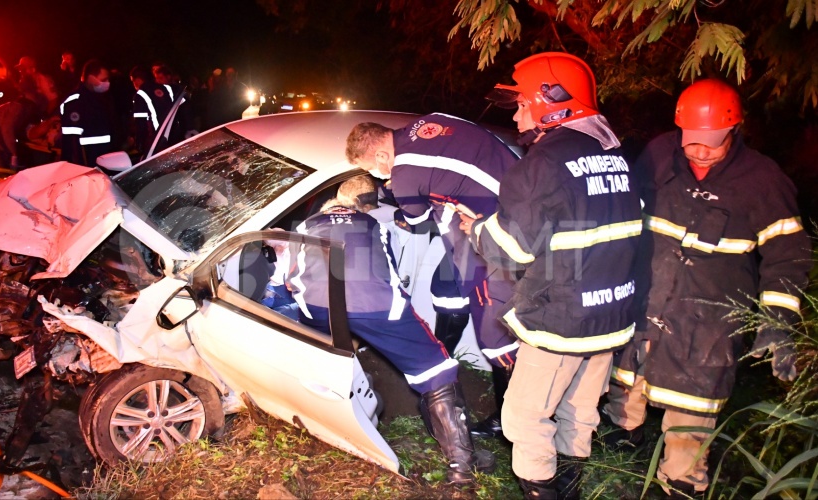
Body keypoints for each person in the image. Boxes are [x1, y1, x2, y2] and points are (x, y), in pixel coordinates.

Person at [601, 79, 811, 496]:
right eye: (692, 141)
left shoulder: (764, 181)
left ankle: (681, 481)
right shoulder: (660, 155)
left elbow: (788, 256)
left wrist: (778, 323)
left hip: (710, 316)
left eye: (711, 143)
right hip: (648, 296)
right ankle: (622, 435)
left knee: (693, 401)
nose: (698, 150)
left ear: (736, 131)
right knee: (628, 374)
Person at [462, 52, 641, 499]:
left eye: (523, 102)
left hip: (561, 320)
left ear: (552, 102)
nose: (518, 112)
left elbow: (511, 248)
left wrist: (476, 230)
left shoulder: (541, 165)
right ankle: (571, 489)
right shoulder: (614, 154)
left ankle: (541, 490)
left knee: (522, 418)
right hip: (612, 314)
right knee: (579, 412)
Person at [287, 175, 493, 484]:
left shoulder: (305, 226)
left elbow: (291, 279)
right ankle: (462, 467)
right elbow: (390, 273)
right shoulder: (376, 225)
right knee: (436, 368)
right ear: (363, 206)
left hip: (318, 308)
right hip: (378, 305)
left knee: (316, 349)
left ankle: (322, 423)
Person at [345, 112, 520, 440]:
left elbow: (416, 220)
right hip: (498, 210)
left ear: (382, 154)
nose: (376, 174)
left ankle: (512, 422)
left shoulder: (406, 172)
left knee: (495, 338)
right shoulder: (431, 122)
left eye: (372, 167)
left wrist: (397, 201)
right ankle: (442, 358)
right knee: (447, 291)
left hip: (495, 241)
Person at [59, 59, 120, 166]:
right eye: (104, 79)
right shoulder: (76, 102)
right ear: (91, 78)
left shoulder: (102, 99)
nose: (107, 83)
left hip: (106, 161)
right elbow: (72, 143)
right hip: (87, 164)